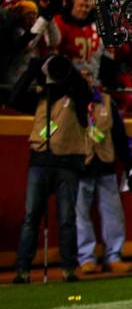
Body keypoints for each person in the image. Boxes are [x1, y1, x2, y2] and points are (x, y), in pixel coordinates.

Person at [10, 54, 92, 284]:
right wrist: (31, 70)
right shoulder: (40, 95)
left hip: (67, 163)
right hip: (40, 160)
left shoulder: (75, 95)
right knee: (30, 217)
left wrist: (70, 68)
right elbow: (13, 98)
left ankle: (68, 269)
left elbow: (87, 94)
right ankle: (22, 271)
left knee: (67, 218)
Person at [76, 65, 132, 275]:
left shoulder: (106, 102)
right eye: (81, 77)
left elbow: (120, 135)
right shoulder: (70, 102)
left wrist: (129, 162)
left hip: (105, 165)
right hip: (80, 166)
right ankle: (86, 258)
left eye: (89, 76)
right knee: (80, 214)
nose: (86, 81)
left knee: (113, 214)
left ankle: (114, 256)